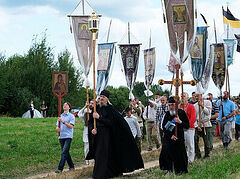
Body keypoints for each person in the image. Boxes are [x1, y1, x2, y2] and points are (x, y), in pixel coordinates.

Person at [86, 90, 144, 179]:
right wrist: (92, 130)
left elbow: (112, 123)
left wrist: (99, 118)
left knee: (105, 154)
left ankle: (104, 174)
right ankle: (99, 174)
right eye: (100, 96)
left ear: (107, 99)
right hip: (97, 136)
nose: (101, 98)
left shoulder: (110, 109)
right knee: (98, 155)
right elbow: (90, 123)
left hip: (107, 136)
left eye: (103, 97)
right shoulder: (95, 108)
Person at [159, 96, 189, 174]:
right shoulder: (167, 114)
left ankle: (180, 170)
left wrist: (180, 121)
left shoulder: (181, 113)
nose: (170, 107)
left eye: (172, 105)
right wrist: (170, 136)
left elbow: (187, 125)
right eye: (169, 105)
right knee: (167, 153)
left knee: (180, 154)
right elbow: (164, 128)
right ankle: (169, 170)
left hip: (179, 137)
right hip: (169, 138)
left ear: (176, 105)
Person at [55, 102, 75, 173]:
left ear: (69, 107)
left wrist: (63, 122)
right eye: (63, 105)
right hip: (61, 136)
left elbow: (71, 126)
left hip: (68, 136)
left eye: (66, 105)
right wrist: (57, 128)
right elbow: (57, 126)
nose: (64, 106)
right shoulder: (60, 116)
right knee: (66, 152)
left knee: (64, 152)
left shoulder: (71, 116)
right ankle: (71, 166)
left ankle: (60, 168)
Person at [194, 93, 212, 158]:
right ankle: (198, 154)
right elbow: (195, 117)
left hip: (206, 124)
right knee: (195, 139)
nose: (196, 97)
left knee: (206, 141)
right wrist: (197, 125)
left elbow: (208, 113)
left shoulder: (208, 102)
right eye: (195, 96)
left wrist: (202, 106)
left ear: (201, 95)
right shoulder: (194, 105)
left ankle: (207, 154)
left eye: (197, 96)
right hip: (198, 124)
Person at [180, 92, 196, 163]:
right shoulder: (178, 106)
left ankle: (191, 159)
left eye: (183, 96)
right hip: (181, 128)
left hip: (189, 128)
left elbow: (193, 118)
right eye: (181, 96)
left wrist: (187, 126)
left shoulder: (191, 106)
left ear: (187, 98)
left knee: (190, 144)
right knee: (181, 145)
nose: (182, 98)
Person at [78, 100, 94, 165]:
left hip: (94, 130)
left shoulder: (96, 111)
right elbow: (79, 114)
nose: (91, 104)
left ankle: (93, 162)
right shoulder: (86, 111)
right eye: (90, 103)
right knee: (87, 147)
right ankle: (87, 162)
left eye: (92, 103)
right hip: (87, 130)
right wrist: (85, 106)